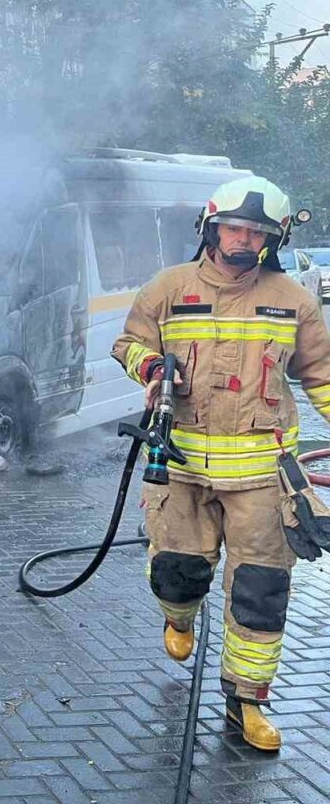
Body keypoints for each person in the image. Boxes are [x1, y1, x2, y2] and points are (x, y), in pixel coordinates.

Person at [113, 175, 330, 752]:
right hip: (180, 466)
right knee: (177, 575)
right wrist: (152, 366)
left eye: (256, 232)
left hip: (262, 475)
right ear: (211, 228)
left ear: (272, 239)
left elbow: (321, 377)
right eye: (233, 227)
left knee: (261, 592)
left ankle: (247, 702)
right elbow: (129, 342)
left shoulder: (294, 301)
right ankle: (178, 616)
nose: (242, 239)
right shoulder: (170, 287)